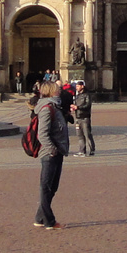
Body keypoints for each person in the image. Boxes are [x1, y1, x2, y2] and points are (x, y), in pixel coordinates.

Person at [33, 81, 70, 229]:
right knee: (46, 187)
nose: (59, 90)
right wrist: (52, 149)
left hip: (57, 150)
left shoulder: (55, 106)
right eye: (57, 89)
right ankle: (50, 221)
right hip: (50, 153)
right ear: (50, 91)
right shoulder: (47, 108)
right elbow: (42, 134)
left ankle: (39, 218)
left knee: (52, 187)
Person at [72, 83, 95, 157]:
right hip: (78, 117)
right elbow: (75, 104)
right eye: (76, 86)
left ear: (82, 86)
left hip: (85, 117)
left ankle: (92, 150)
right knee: (80, 135)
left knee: (87, 134)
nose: (76, 87)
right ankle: (82, 151)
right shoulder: (77, 95)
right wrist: (73, 108)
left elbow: (87, 105)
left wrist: (78, 107)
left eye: (78, 86)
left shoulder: (87, 95)